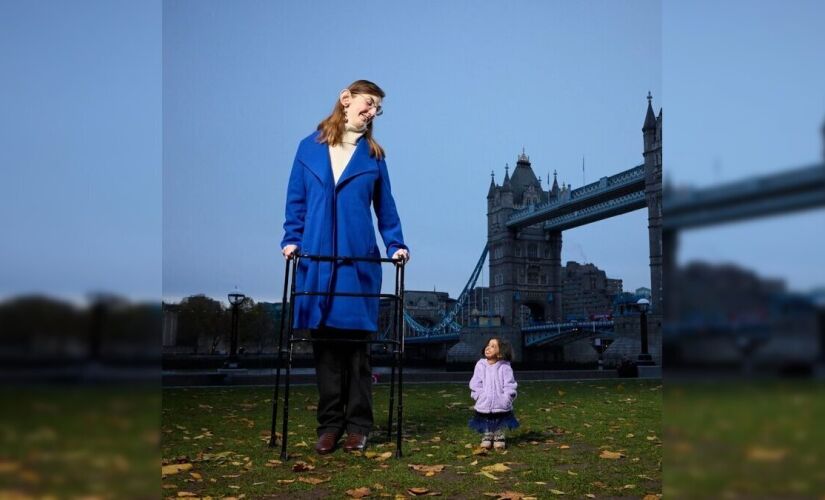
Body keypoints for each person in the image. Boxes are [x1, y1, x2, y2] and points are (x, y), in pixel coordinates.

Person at [280, 80, 409, 455]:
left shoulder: (373, 156)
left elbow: (386, 208)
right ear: (346, 99)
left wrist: (396, 244)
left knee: (356, 353)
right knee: (325, 353)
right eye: (368, 105)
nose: (372, 114)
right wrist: (291, 239)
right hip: (317, 263)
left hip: (358, 264)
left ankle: (358, 427)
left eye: (377, 110)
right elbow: (296, 200)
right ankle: (329, 426)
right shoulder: (308, 149)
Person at [468, 337, 519, 450]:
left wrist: (507, 398)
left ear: (500, 353)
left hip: (500, 401)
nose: (488, 347)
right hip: (484, 400)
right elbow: (475, 382)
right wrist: (478, 395)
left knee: (499, 419)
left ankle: (499, 435)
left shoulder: (505, 367)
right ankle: (487, 435)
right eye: (488, 345)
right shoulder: (480, 365)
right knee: (486, 419)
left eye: (493, 346)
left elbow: (510, 384)